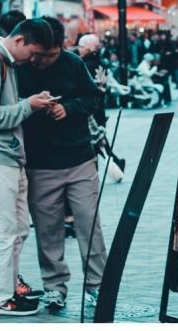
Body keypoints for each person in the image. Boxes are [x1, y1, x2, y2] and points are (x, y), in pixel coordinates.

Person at [0, 18, 57, 316]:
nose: (32, 60)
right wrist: (27, 106)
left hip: (8, 156)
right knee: (4, 230)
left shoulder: (3, 62)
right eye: (32, 53)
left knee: (16, 228)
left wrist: (27, 103)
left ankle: (8, 291)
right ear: (19, 41)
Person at [17, 17, 107, 311]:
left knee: (89, 224)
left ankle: (97, 285)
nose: (44, 60)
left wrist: (67, 109)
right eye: (40, 55)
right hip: (40, 163)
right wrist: (31, 105)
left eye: (51, 55)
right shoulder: (21, 68)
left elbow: (93, 98)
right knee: (48, 229)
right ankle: (54, 287)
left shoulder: (71, 63)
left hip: (79, 158)